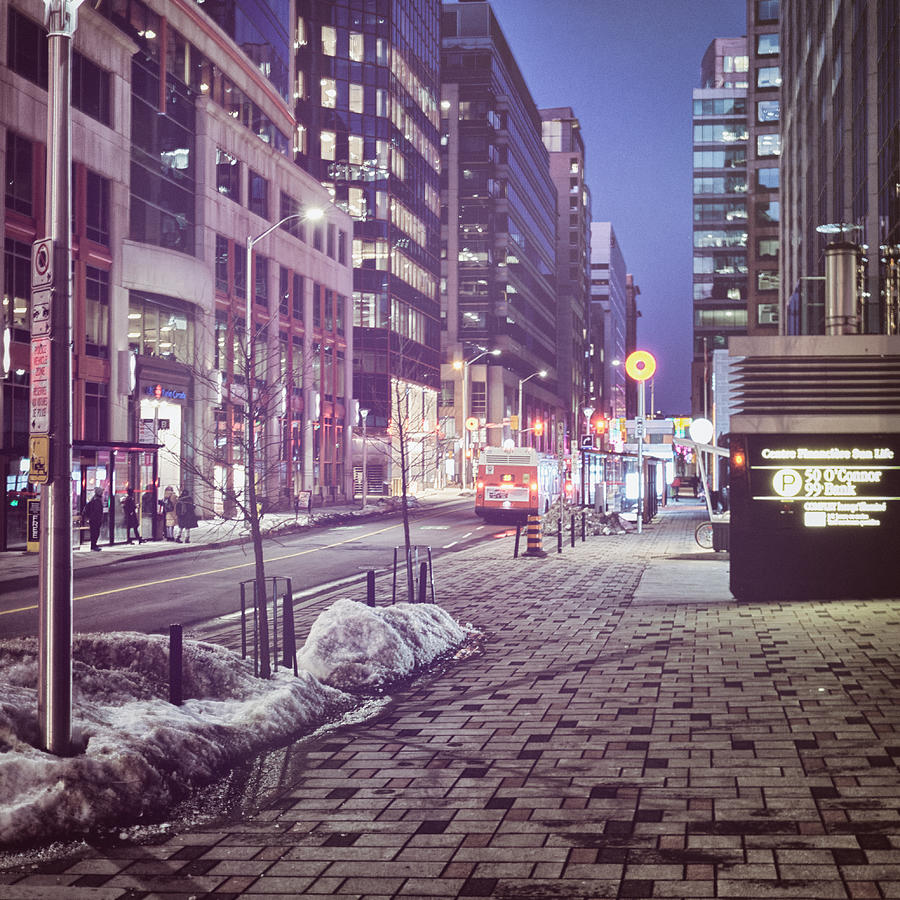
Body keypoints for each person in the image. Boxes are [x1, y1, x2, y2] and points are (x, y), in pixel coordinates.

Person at [82, 487, 104, 551]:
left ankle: (93, 545)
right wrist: (98, 519)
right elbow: (97, 512)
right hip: (95, 520)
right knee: (95, 533)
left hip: (93, 519)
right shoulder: (97, 501)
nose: (102, 493)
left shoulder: (94, 499)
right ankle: (93, 546)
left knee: (94, 533)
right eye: (101, 492)